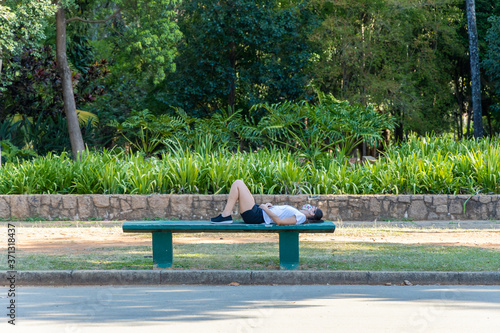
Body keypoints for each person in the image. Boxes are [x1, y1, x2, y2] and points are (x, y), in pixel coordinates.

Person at [210, 180, 323, 225]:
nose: (310, 206)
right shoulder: (299, 214)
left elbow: (279, 221)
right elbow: (280, 215)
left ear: (312, 213)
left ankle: (225, 216)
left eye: (312, 208)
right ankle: (225, 216)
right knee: (240, 186)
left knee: (238, 184)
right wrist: (270, 207)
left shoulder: (301, 217)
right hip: (259, 212)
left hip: (256, 216)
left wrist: (266, 209)